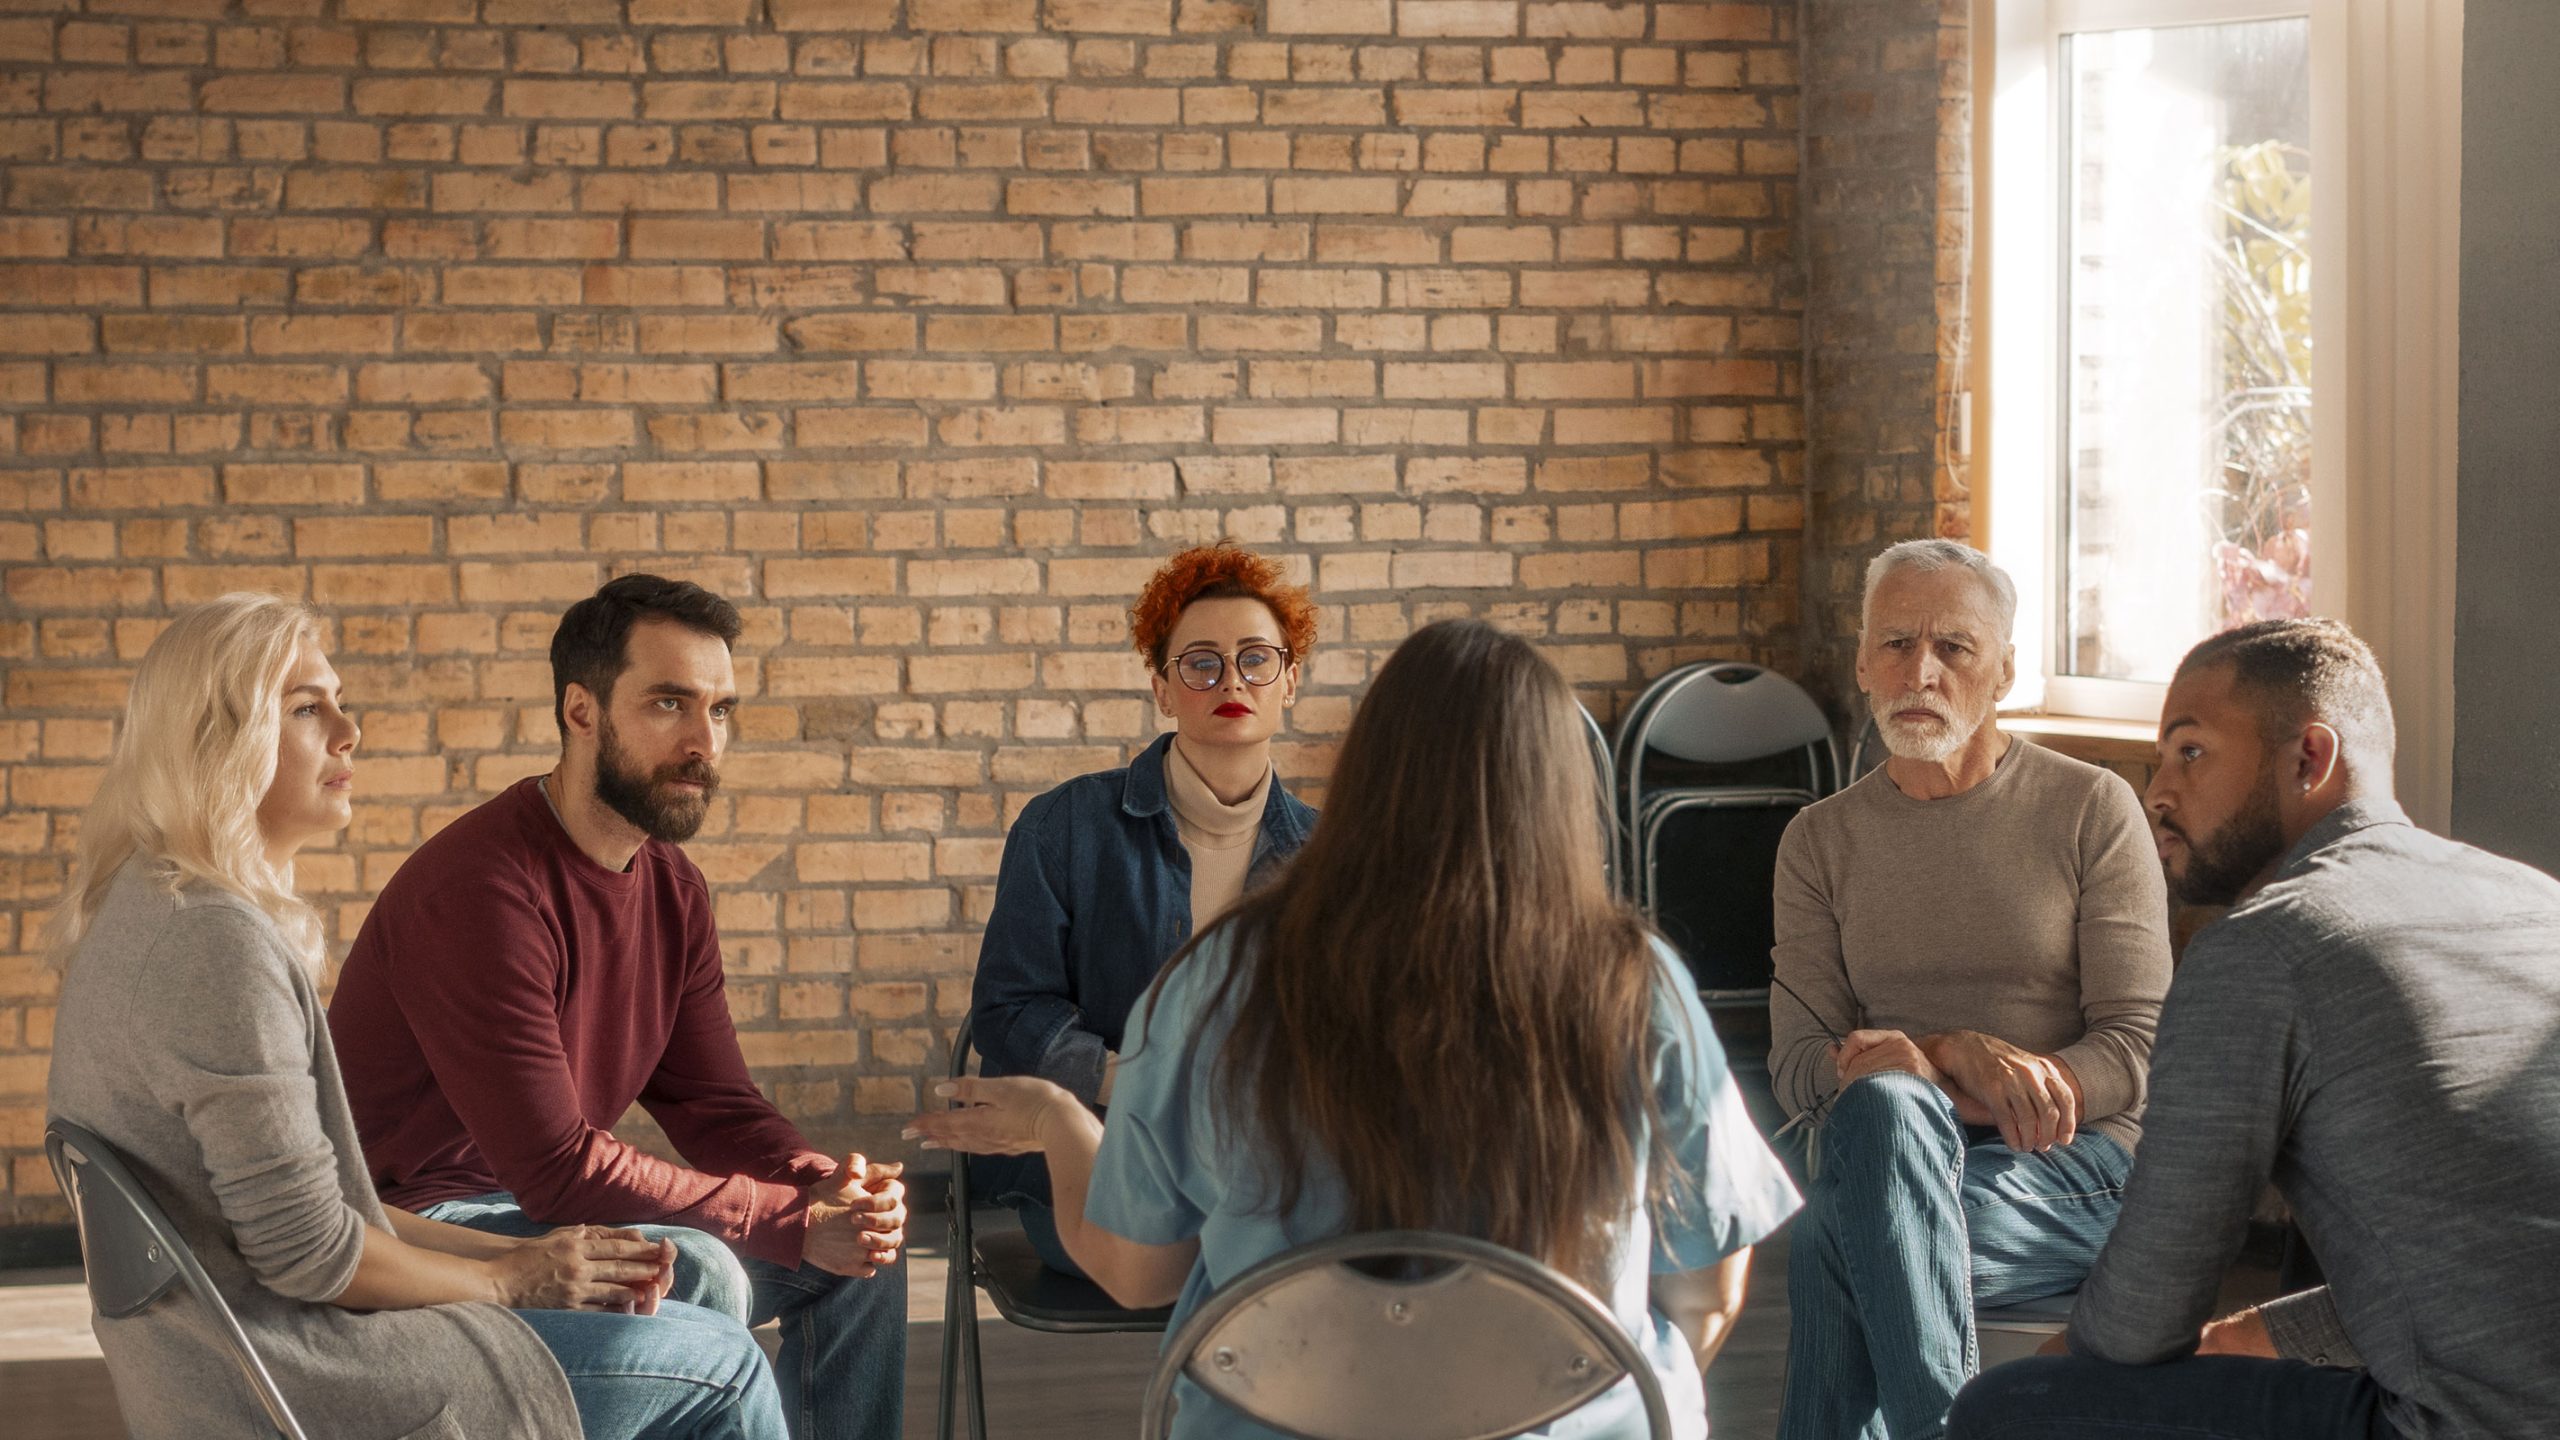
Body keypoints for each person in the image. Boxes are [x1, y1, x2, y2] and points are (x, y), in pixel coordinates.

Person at [915, 618, 1801, 1439]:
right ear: (1563, 789)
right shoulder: (1638, 985)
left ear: (1367, 771)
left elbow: (1138, 1271)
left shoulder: (1218, 976)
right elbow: (1709, 1295)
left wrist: (1056, 1121)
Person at [43, 592, 785, 1440]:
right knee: (724, 1365)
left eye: (340, 703)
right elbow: (311, 1254)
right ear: (219, 738)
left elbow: (325, 1212)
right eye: (307, 709)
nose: (349, 731)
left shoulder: (152, 905)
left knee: (692, 1277)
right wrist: (508, 1280)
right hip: (301, 1372)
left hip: (252, 1347)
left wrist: (525, 1257)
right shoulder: (215, 944)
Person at [1948, 619, 2560, 1440]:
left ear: (2309, 758)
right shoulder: (2534, 901)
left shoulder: (2264, 949)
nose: (2158, 792)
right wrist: (2250, 1336)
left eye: (2191, 752)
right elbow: (2485, 1258)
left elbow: (2142, 1319)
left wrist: (2069, 1364)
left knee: (2009, 1410)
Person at [327, 575, 907, 1440]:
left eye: (719, 710)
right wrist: (785, 1221)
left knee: (864, 1256)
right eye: (669, 703)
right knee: (698, 1268)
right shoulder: (483, 890)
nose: (702, 741)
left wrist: (821, 1184)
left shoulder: (673, 887)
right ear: (581, 711)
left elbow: (714, 1105)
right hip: (425, 1229)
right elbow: (556, 1168)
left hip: (547, 1210)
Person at [1771, 539, 2173, 1440]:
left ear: (2005, 672)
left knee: (1837, 1229)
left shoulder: (2092, 808)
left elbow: (2142, 1048)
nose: (1921, 672)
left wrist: (1983, 1075)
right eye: (1896, 644)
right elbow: (1798, 1068)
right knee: (1886, 1115)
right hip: (1897, 1150)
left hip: (2076, 1169)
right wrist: (1941, 1060)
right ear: (1863, 665)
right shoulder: (1819, 841)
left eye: (1954, 646)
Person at [967, 541, 1319, 1275]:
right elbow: (1009, 1012)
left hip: (1261, 1166)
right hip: (1099, 1165)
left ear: (1290, 681)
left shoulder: (1329, 855)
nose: (1232, 680)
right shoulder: (1064, 827)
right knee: (1270, 1258)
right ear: (1162, 687)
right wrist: (1137, 1082)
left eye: (1257, 659)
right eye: (1202, 663)